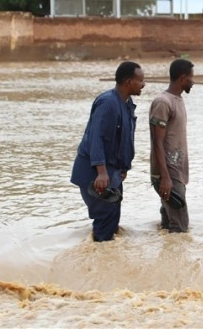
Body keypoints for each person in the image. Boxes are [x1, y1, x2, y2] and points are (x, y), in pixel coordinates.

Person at [70, 61, 145, 242]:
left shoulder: (127, 104)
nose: (143, 84)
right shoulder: (108, 103)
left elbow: (123, 138)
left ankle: (107, 263)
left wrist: (123, 167)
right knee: (104, 218)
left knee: (113, 217)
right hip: (95, 172)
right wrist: (101, 172)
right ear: (128, 82)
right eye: (140, 80)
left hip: (112, 171)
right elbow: (96, 138)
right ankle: (97, 264)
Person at [149, 58, 194, 233]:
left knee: (169, 225)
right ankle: (179, 259)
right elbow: (157, 142)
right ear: (183, 78)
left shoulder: (177, 100)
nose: (193, 81)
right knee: (180, 228)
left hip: (176, 172)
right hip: (168, 173)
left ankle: (168, 259)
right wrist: (165, 177)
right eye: (191, 77)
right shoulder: (163, 102)